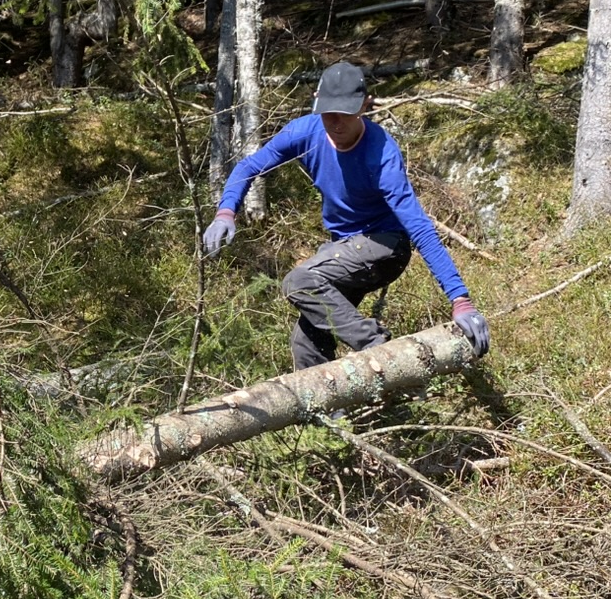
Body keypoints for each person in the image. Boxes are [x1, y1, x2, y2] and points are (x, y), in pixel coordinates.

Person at [202, 61, 490, 371]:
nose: (336, 122)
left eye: (346, 113)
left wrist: (460, 300)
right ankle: (329, 414)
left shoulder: (381, 154)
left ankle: (376, 345)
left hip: (385, 247)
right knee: (307, 343)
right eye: (328, 112)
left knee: (299, 281)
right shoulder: (304, 132)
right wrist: (226, 211)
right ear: (316, 101)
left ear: (365, 105)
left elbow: (418, 226)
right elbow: (248, 166)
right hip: (342, 249)